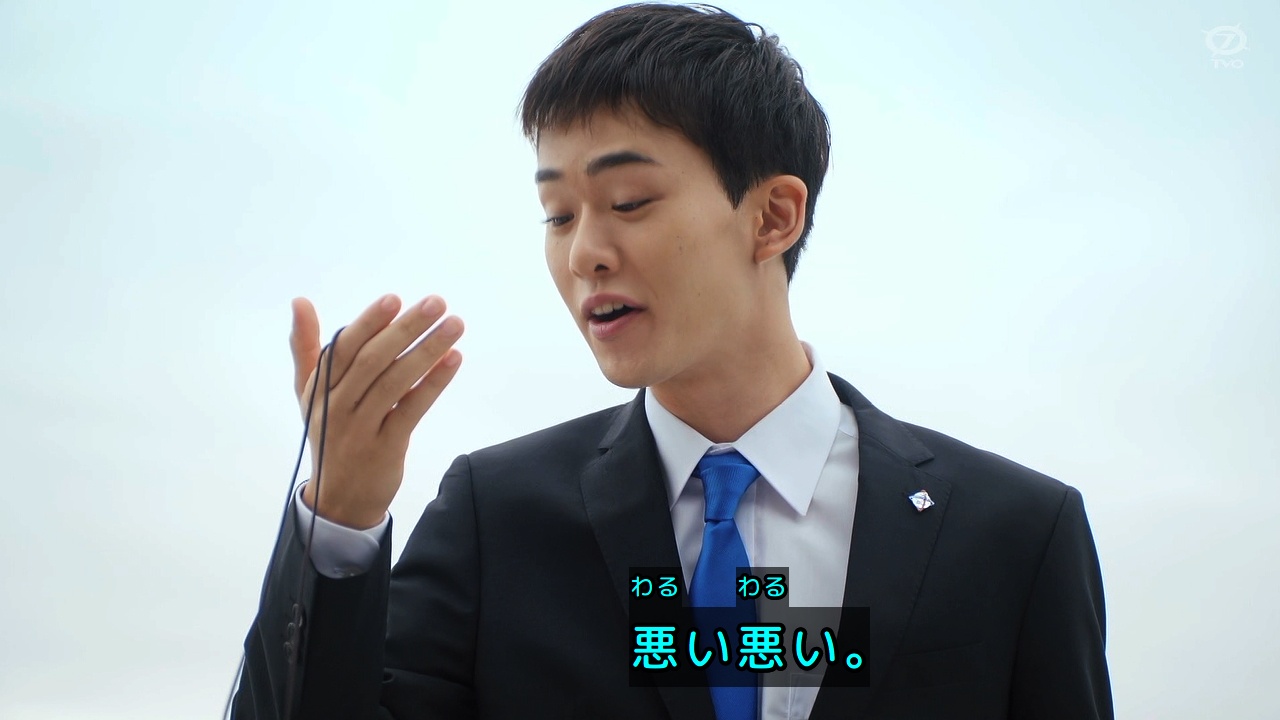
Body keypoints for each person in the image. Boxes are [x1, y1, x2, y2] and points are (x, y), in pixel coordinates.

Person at [231, 4, 1114, 719]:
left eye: (628, 201)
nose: (585, 253)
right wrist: (339, 516)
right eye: (558, 215)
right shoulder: (495, 522)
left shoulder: (1013, 534)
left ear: (772, 217)